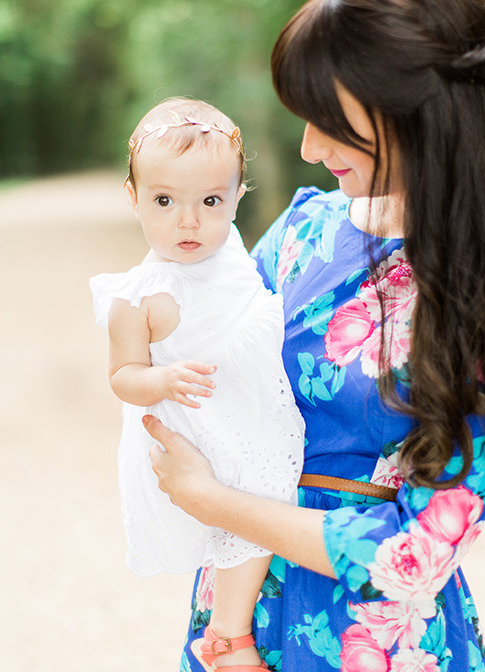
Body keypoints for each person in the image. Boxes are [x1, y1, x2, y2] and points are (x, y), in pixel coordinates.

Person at [143, 0, 485, 672]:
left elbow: (415, 552)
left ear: (416, 113)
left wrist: (214, 502)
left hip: (378, 642)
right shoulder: (301, 234)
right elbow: (212, 394)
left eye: (328, 121)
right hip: (235, 620)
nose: (310, 149)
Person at [90, 97, 305, 671]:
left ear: (236, 197)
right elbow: (122, 376)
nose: (189, 221)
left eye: (210, 201)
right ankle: (229, 634)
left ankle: (234, 625)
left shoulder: (230, 251)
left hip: (251, 408)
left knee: (271, 500)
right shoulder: (137, 297)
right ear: (134, 197)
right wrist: (160, 378)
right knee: (245, 510)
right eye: (165, 201)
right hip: (201, 422)